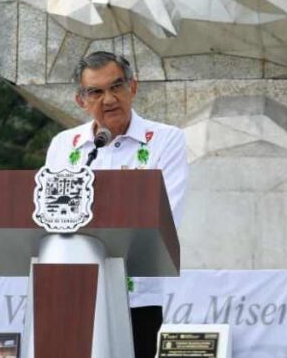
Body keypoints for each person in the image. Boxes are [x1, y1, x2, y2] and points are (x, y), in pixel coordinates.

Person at [43, 51, 188, 358]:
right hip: (73, 294)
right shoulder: (63, 145)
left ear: (133, 87)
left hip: (137, 299)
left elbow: (164, 217)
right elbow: (50, 217)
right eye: (96, 92)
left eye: (116, 86)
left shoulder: (166, 140)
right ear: (81, 100)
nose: (109, 99)